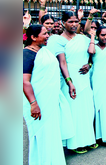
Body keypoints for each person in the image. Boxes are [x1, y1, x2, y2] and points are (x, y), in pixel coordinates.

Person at [46, 11, 97, 153]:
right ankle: (75, 143)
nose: (74, 24)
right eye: (70, 21)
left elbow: (91, 56)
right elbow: (62, 63)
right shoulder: (57, 40)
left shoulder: (83, 39)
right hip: (69, 78)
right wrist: (70, 82)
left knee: (86, 109)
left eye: (76, 21)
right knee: (73, 110)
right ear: (63, 23)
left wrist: (89, 65)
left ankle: (87, 139)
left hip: (84, 76)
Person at [23, 25, 66, 165]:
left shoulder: (43, 51)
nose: (48, 36)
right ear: (33, 37)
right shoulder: (27, 54)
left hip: (49, 100)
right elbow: (24, 81)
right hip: (38, 102)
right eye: (44, 34)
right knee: (41, 134)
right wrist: (33, 104)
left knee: (50, 132)